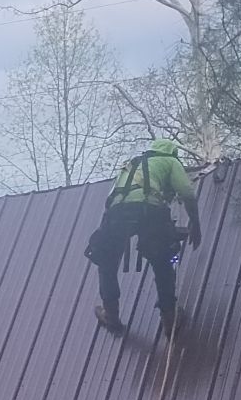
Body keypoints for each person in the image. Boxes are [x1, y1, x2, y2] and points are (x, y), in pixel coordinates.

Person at [85, 138, 203, 335]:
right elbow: (187, 192)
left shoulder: (132, 164)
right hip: (150, 210)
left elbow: (113, 196)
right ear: (172, 153)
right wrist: (195, 223)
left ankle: (112, 316)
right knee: (163, 260)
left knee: (106, 259)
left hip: (117, 212)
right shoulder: (171, 161)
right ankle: (169, 318)